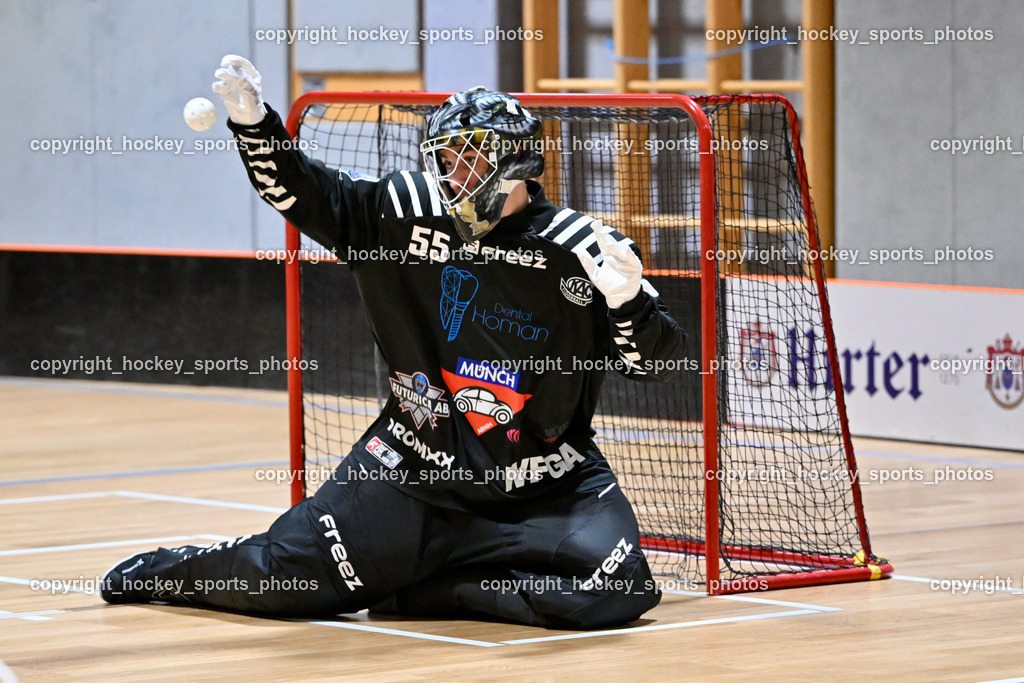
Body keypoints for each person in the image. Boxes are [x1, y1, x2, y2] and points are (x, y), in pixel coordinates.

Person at [101, 55, 685, 630]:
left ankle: (426, 590)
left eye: (470, 157)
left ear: (519, 162)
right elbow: (307, 193)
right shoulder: (401, 214)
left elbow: (657, 365)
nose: (455, 174)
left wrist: (628, 301)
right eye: (446, 159)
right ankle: (167, 571)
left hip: (550, 488)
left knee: (617, 590)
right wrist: (255, 126)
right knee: (283, 580)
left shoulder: (583, 247)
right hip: (410, 473)